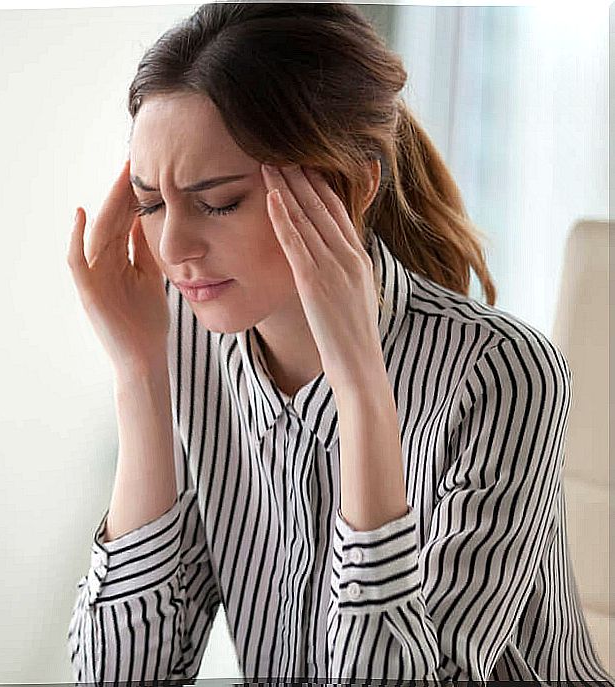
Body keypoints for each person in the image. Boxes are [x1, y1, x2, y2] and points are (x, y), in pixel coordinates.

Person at [64, 2, 614, 683]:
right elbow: (120, 676)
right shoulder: (189, 344)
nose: (172, 247)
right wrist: (141, 375)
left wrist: (361, 389)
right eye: (151, 203)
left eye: (218, 201)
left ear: (346, 187)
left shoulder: (502, 374)